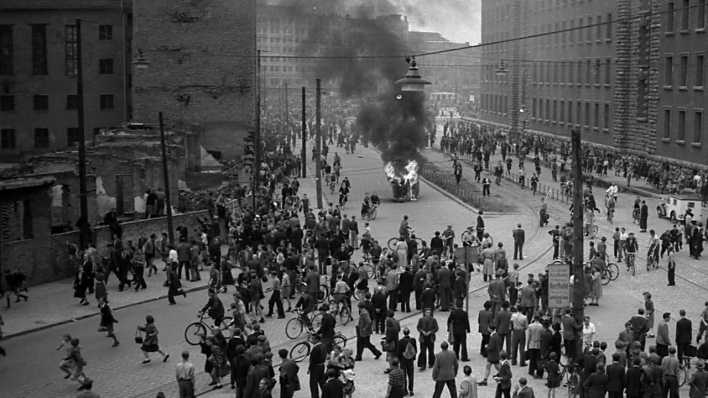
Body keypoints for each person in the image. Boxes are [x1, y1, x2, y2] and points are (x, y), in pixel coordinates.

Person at [398, 327, 417, 396]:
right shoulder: (413, 340)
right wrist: (413, 357)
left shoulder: (400, 341)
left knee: (403, 376)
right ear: (409, 332)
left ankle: (404, 390)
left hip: (403, 360)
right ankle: (411, 390)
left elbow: (398, 352)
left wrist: (400, 359)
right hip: (410, 360)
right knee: (411, 375)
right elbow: (415, 350)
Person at [308, 334, 327, 398]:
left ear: (316, 340)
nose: (311, 340)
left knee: (313, 384)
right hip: (322, 366)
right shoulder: (323, 345)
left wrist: (309, 368)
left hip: (315, 368)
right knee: (322, 381)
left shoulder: (316, 348)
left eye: (312, 339)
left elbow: (313, 360)